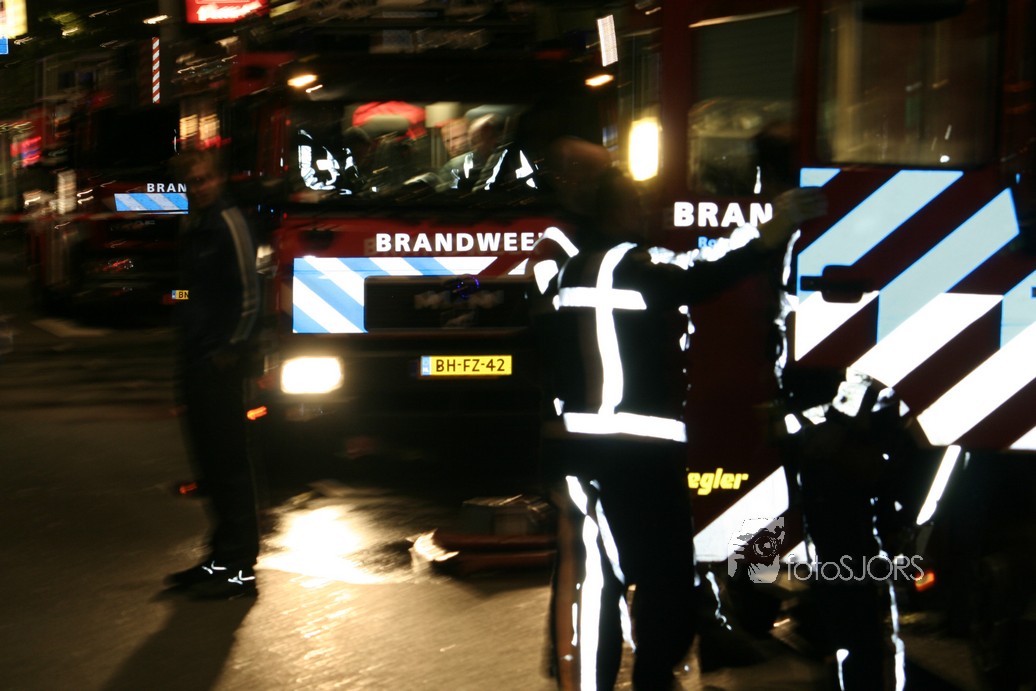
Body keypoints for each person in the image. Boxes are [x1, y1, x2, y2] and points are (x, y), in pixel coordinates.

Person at [532, 138, 826, 690]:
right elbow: (700, 273)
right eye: (638, 205)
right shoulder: (629, 268)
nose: (647, 214)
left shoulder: (574, 271)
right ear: (619, 210)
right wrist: (769, 233)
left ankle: (592, 680)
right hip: (635, 454)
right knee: (665, 576)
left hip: (577, 450)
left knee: (596, 580)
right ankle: (653, 676)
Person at [165, 148, 262, 600]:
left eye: (204, 179)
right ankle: (220, 558)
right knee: (209, 465)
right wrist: (177, 300)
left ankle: (240, 570)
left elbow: (250, 295)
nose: (199, 188)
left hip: (219, 363)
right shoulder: (193, 224)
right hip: (195, 358)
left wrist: (230, 351)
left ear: (219, 179)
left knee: (229, 465)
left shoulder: (228, 222)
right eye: (191, 182)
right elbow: (190, 287)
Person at [436, 113, 505, 192]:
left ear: (468, 136)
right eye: (447, 141)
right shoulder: (451, 168)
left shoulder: (500, 158)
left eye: (456, 138)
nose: (452, 145)